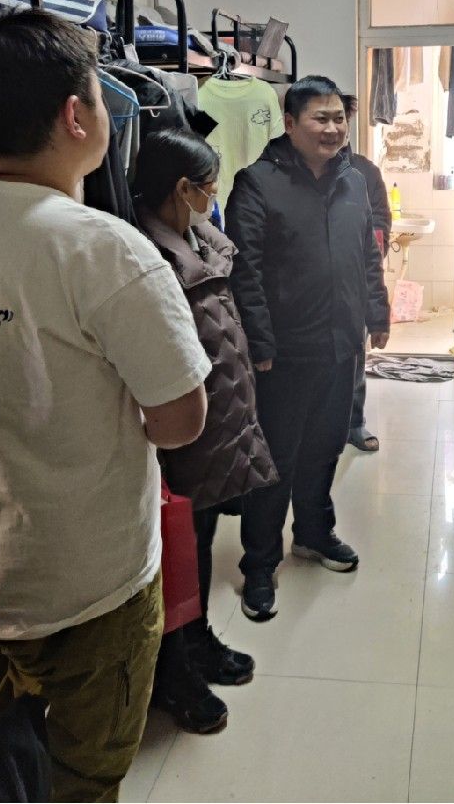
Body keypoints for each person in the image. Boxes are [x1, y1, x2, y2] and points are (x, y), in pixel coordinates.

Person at [0, 10, 209, 802]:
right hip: (86, 585)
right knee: (82, 779)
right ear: (76, 116)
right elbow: (180, 421)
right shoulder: (107, 251)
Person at [225, 75, 389, 622]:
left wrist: (377, 311)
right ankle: (259, 563)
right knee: (275, 460)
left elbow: (367, 254)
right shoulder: (257, 183)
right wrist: (260, 341)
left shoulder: (354, 181)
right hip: (284, 353)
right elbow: (244, 269)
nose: (333, 128)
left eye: (339, 118)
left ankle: (314, 534)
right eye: (321, 118)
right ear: (290, 123)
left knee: (325, 448)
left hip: (341, 346)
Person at [132, 127, 276, 736]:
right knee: (175, 550)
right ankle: (172, 670)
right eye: (209, 187)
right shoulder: (145, 256)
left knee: (200, 539)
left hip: (218, 423)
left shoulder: (202, 241)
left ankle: (197, 639)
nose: (213, 197)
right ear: (182, 189)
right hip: (180, 432)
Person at [340, 94, 391, 455]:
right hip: (304, 288)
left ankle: (353, 423)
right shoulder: (290, 170)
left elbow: (381, 223)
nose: (333, 128)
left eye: (340, 119)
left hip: (353, 284)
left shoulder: (365, 171)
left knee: (354, 356)